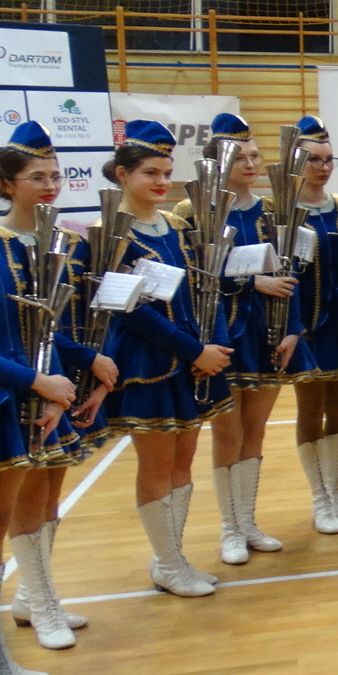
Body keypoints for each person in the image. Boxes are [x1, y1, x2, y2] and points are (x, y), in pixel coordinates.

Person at [0, 109, 76, 675]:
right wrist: (35, 381)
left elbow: (33, 327)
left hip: (8, 405)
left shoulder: (4, 242)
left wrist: (44, 392)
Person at [0, 122, 116, 651]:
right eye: (36, 177)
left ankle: (33, 595)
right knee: (28, 497)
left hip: (60, 383)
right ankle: (41, 605)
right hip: (22, 382)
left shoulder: (66, 239)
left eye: (55, 175)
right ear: (7, 184)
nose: (50, 185)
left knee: (49, 495)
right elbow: (17, 328)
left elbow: (64, 323)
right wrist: (47, 378)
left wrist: (88, 364)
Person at [102, 121, 234, 598]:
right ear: (122, 174)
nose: (162, 181)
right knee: (157, 465)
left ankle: (173, 557)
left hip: (192, 361)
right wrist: (193, 350)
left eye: (166, 172)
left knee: (183, 461)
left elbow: (203, 289)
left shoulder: (177, 227)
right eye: (150, 173)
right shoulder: (110, 232)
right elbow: (131, 311)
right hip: (147, 364)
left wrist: (212, 348)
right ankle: (167, 561)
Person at [178, 113, 309, 566]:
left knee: (255, 432)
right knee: (228, 432)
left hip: (268, 331)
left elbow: (290, 271)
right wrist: (252, 282)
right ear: (217, 163)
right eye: (240, 158)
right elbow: (195, 276)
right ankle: (229, 528)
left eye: (254, 156)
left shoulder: (274, 209)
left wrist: (293, 328)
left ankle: (248, 520)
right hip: (223, 332)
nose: (251, 164)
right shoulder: (194, 211)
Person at [288, 117, 338, 534]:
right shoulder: (282, 209)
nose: (322, 167)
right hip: (304, 325)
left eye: (328, 159)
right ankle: (319, 497)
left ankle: (334, 492)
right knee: (309, 408)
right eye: (313, 160)